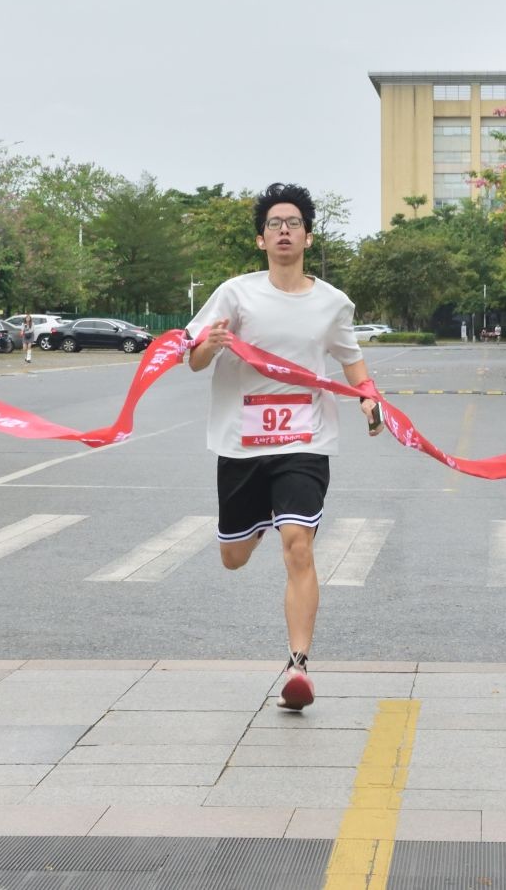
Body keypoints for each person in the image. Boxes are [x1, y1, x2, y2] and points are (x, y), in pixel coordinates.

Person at [187, 183, 380, 713]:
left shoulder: (332, 303)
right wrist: (209, 346)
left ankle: (298, 666)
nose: (285, 231)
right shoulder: (234, 294)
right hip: (242, 442)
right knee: (233, 557)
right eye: (274, 224)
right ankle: (256, 523)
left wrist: (369, 398)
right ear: (261, 239)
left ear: (308, 236)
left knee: (298, 544)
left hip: (304, 439)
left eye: (294, 223)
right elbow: (193, 359)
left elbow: (352, 361)